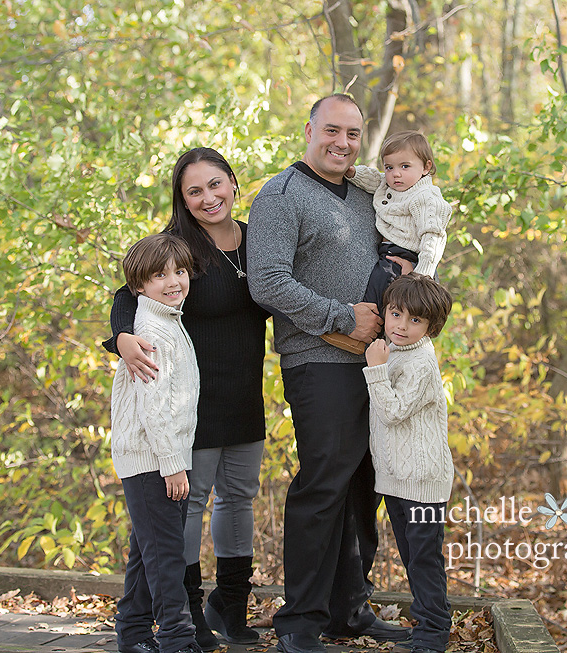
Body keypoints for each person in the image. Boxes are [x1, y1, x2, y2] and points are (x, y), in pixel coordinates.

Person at [246, 93, 413, 653]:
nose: (343, 143)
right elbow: (266, 281)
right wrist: (342, 317)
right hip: (317, 361)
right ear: (310, 129)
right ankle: (300, 621)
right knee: (324, 483)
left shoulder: (370, 195)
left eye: (353, 134)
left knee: (367, 483)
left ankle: (350, 609)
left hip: (378, 363)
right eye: (332, 131)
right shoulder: (281, 195)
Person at [104, 148, 269, 651]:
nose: (207, 197)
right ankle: (189, 617)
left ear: (234, 183)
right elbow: (128, 297)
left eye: (215, 184)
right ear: (182, 199)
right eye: (193, 190)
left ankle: (232, 607)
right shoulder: (178, 248)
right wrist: (122, 340)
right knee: (188, 505)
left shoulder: (258, 238)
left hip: (244, 391)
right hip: (188, 401)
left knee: (239, 499)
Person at [109, 233, 202, 653]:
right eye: (159, 275)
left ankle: (132, 633)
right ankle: (178, 640)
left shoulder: (169, 321)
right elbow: (153, 407)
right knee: (165, 556)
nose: (173, 281)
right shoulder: (150, 332)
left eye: (179, 271)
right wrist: (172, 463)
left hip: (162, 457)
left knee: (146, 551)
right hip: (151, 460)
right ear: (139, 286)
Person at [362, 274, 454, 653]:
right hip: (397, 481)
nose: (401, 325)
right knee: (411, 557)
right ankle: (426, 626)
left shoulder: (419, 362)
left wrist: (375, 370)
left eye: (414, 320)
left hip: (423, 485)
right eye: (396, 314)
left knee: (424, 560)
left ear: (431, 326)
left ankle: (433, 632)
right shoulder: (397, 350)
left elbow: (394, 412)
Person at [347, 130, 452, 311]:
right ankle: (367, 315)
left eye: (405, 166)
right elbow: (374, 179)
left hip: (409, 256)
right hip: (389, 251)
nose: (396, 174)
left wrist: (422, 276)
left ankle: (369, 317)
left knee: (386, 285)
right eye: (389, 167)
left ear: (426, 167)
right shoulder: (391, 186)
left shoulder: (426, 197)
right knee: (376, 282)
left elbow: (433, 236)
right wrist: (353, 172)